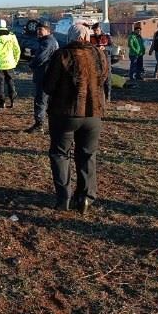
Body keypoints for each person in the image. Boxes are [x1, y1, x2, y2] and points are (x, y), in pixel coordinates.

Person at [43, 23, 109, 213]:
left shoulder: (62, 55)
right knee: (87, 154)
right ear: (87, 36)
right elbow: (104, 79)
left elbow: (49, 86)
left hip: (65, 113)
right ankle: (86, 197)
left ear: (70, 36)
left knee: (60, 154)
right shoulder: (99, 54)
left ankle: (64, 198)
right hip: (93, 113)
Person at [26, 21, 59, 133]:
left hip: (45, 75)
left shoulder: (48, 43)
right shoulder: (46, 41)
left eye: (41, 29)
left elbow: (41, 58)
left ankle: (39, 125)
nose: (38, 31)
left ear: (48, 30)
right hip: (46, 75)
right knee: (46, 101)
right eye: (38, 29)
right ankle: (51, 125)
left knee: (41, 100)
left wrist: (31, 65)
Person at [90, 22, 114, 102]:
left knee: (107, 78)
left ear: (100, 29)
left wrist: (105, 47)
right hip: (95, 60)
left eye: (96, 30)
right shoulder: (91, 37)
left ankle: (108, 96)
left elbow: (112, 47)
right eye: (94, 30)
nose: (95, 32)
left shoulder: (107, 36)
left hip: (106, 59)